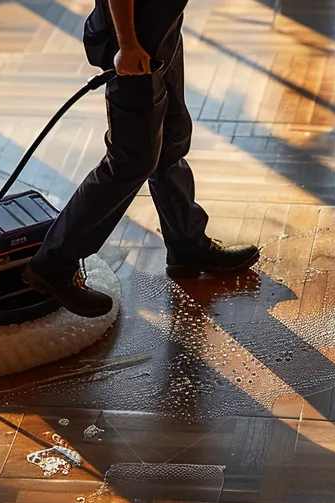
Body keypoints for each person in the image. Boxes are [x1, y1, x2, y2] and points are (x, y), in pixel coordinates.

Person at [23, 0, 259, 317]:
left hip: (162, 32)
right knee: (131, 159)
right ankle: (53, 263)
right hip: (135, 41)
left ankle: (187, 246)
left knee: (171, 141)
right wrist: (127, 44)